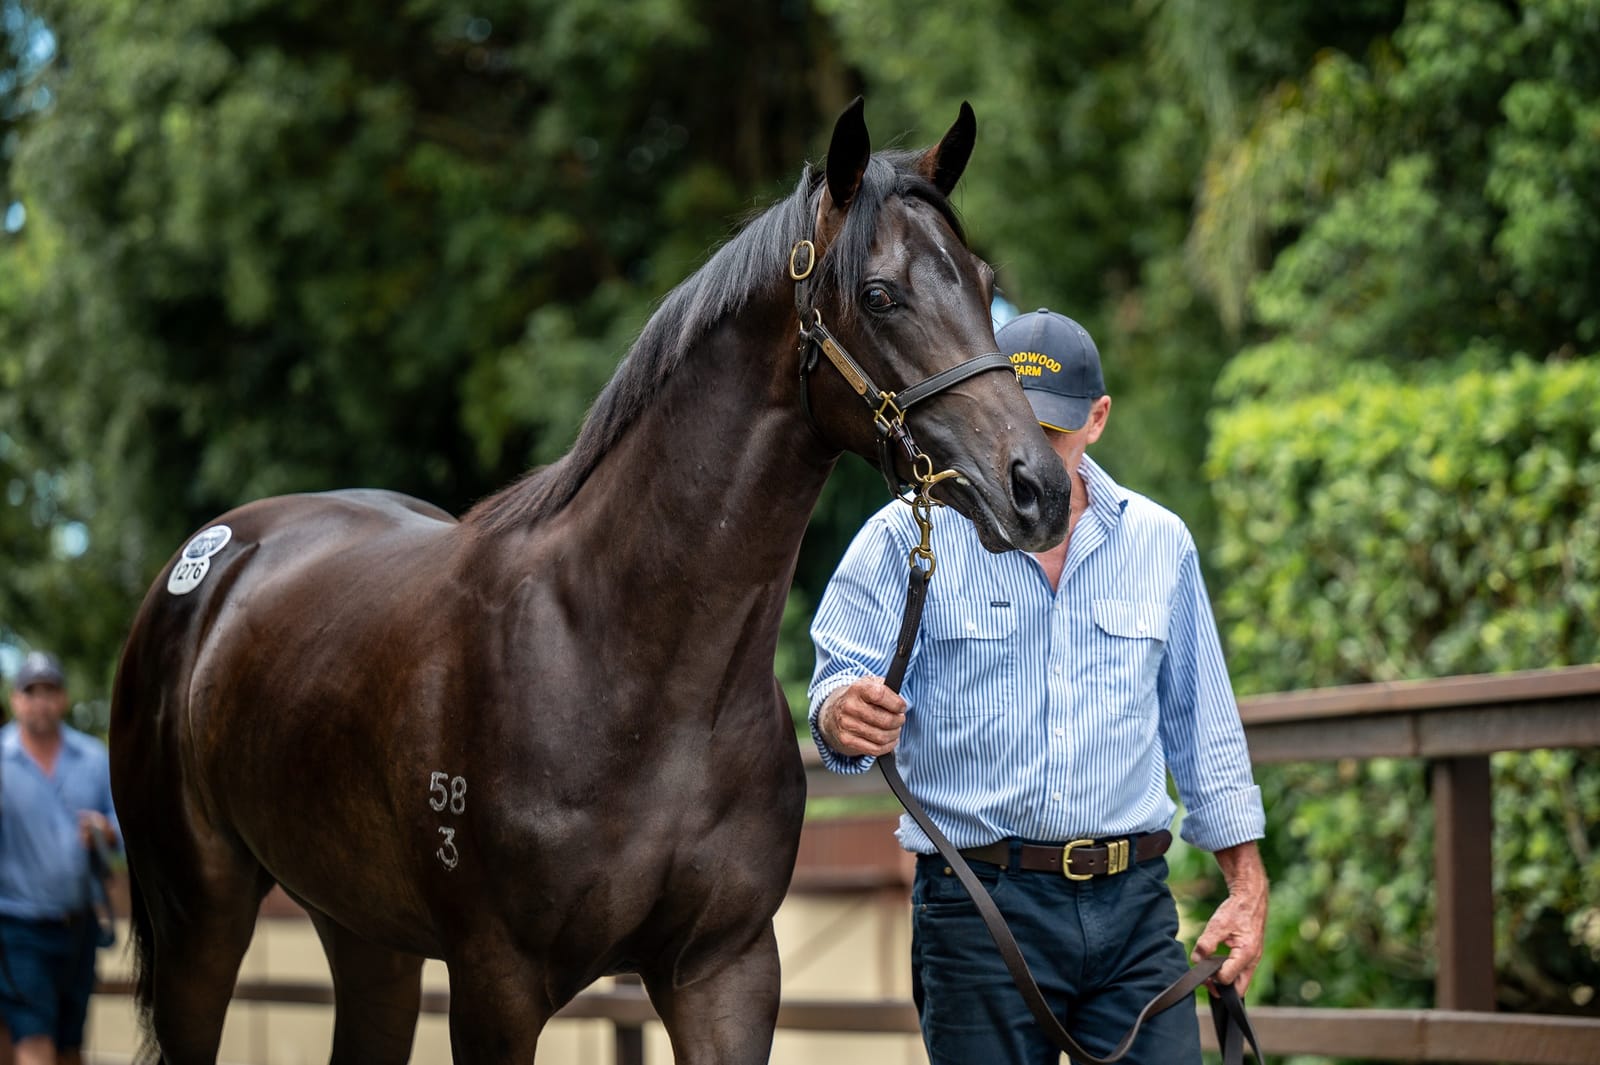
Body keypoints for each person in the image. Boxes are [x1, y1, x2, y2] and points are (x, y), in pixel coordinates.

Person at [808, 309, 1268, 1065]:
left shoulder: (1160, 543)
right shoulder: (907, 534)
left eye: (1051, 431)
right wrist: (840, 713)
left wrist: (1245, 888)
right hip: (978, 907)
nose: (1027, 451)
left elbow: (1204, 729)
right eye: (1013, 422)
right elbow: (834, 690)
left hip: (1134, 909)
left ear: (1098, 419)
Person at [0, 652, 120, 1065]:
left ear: (64, 699)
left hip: (79, 927)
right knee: (34, 1040)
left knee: (70, 1046)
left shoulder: (93, 757)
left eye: (49, 691)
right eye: (31, 692)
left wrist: (106, 832)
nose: (41, 702)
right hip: (17, 928)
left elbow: (124, 828)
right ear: (16, 700)